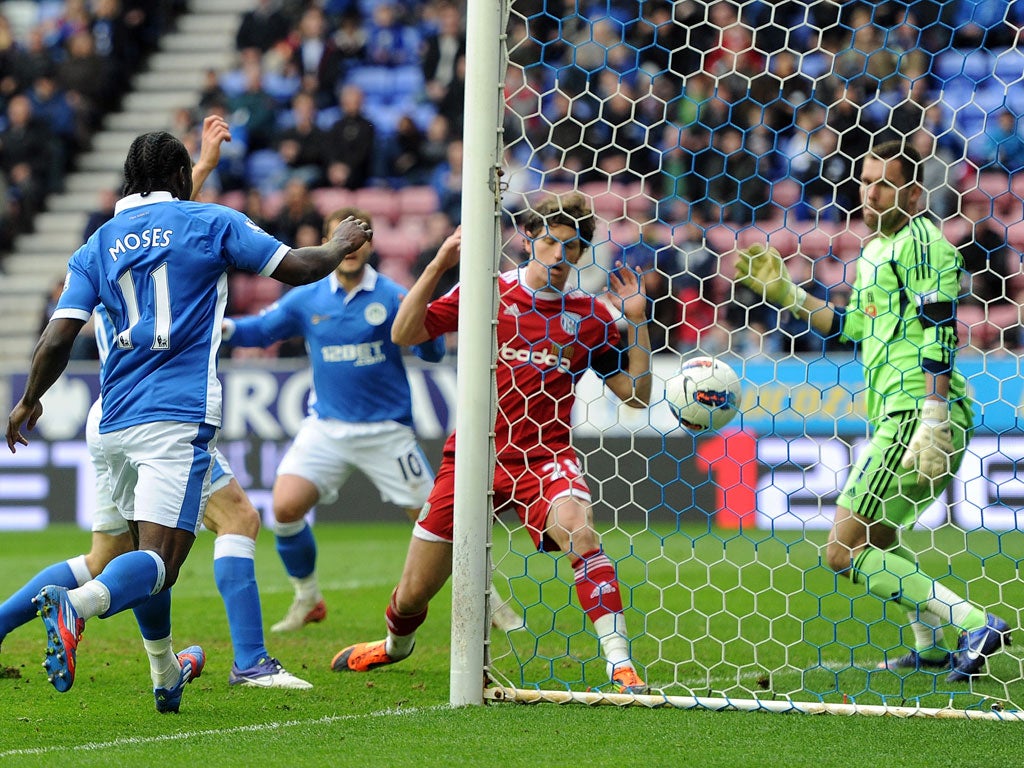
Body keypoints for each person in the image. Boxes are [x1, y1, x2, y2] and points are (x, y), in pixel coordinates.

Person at [5, 118, 372, 712]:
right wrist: (340, 242)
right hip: (173, 419)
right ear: (180, 179)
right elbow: (299, 268)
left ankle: (165, 672)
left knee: (158, 542)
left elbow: (56, 336)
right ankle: (86, 608)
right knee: (158, 563)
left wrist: (28, 399)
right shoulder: (211, 222)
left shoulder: (96, 244)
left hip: (112, 420)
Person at [331, 193, 653, 694]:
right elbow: (404, 332)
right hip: (474, 456)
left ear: (582, 251)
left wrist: (636, 321)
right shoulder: (490, 292)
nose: (556, 256)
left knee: (581, 532)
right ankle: (395, 647)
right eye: (548, 241)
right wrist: (441, 261)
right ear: (529, 240)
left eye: (570, 247)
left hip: (545, 458)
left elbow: (635, 397)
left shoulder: (592, 316)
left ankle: (620, 664)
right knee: (415, 592)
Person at [734, 139, 1010, 682]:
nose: (870, 192)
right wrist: (788, 294)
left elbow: (939, 323)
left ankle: (976, 623)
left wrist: (932, 411)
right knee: (880, 537)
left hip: (917, 409)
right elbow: (849, 329)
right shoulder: (874, 251)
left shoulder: (923, 241)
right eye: (865, 181)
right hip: (895, 410)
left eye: (883, 183)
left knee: (842, 552)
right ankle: (931, 647)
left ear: (911, 191)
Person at [222, 207, 522, 635]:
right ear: (328, 244)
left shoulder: (392, 296)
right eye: (341, 237)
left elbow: (429, 351)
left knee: (440, 523)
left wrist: (431, 333)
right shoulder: (308, 296)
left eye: (359, 237)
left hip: (387, 432)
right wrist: (220, 327)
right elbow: (263, 329)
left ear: (371, 245)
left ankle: (492, 601)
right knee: (285, 508)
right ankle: (307, 598)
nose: (351, 246)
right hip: (326, 427)